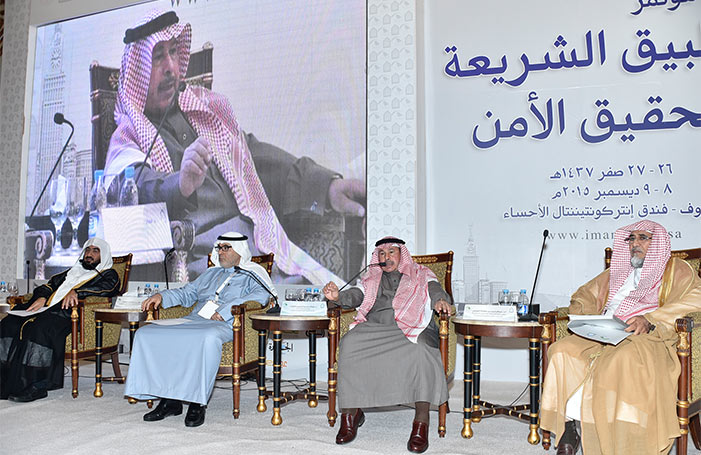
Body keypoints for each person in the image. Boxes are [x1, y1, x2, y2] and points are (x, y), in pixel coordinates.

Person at [105, 9, 365, 283]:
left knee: (330, 295)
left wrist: (326, 187)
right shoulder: (129, 136)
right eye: (158, 57)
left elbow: (256, 162)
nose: (171, 67)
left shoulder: (205, 109)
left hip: (260, 250)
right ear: (138, 71)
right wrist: (180, 184)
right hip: (209, 267)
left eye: (173, 52)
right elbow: (132, 190)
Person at [540, 220, 701, 455]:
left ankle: (625, 439)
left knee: (620, 360)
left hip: (645, 335)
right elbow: (584, 295)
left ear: (658, 243)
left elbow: (695, 299)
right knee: (561, 350)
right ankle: (569, 427)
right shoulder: (616, 271)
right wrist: (589, 318)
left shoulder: (676, 269)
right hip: (605, 331)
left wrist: (651, 319)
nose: (635, 243)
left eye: (643, 238)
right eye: (631, 238)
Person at [124, 232, 272, 427]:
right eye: (219, 248)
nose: (220, 252)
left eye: (226, 248)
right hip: (195, 319)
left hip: (227, 324)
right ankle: (169, 400)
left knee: (206, 337)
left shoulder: (253, 274)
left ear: (240, 251)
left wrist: (226, 310)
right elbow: (187, 293)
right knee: (146, 333)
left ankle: (197, 403)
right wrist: (162, 296)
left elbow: (262, 297)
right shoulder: (210, 273)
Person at [322, 237, 452, 453]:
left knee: (421, 349)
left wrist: (439, 300)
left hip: (414, 326)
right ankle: (351, 414)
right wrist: (337, 296)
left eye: (392, 252)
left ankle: (421, 420)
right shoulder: (371, 278)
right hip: (377, 327)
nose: (386, 257)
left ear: (402, 255)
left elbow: (435, 289)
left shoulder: (421, 273)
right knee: (350, 343)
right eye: (382, 253)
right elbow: (356, 295)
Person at [0, 238, 119, 402]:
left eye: (95, 251)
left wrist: (77, 292)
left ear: (103, 255)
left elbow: (108, 288)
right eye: (87, 250)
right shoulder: (72, 272)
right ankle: (4, 379)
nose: (89, 254)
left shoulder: (108, 274)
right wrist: (42, 297)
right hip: (46, 309)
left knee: (40, 329)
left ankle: (37, 385)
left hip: (68, 315)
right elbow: (48, 286)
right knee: (8, 323)